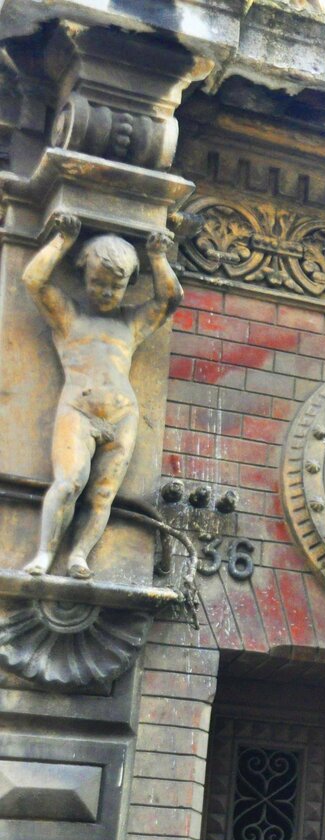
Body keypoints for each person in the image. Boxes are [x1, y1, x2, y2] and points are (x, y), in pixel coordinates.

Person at [21, 213, 181, 579]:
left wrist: (158, 257)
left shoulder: (130, 322)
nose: (107, 292)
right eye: (98, 283)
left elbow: (169, 299)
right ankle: (45, 553)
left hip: (122, 416)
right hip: (79, 410)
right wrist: (62, 240)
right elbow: (33, 280)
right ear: (84, 275)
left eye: (116, 286)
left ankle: (79, 554)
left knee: (103, 494)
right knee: (69, 483)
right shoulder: (69, 316)